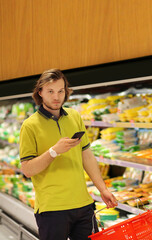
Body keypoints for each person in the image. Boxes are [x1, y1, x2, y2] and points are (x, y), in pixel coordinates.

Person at [19, 69, 118, 240]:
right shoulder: (29, 126)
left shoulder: (75, 116)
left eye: (60, 91)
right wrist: (53, 151)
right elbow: (27, 169)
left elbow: (87, 155)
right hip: (52, 209)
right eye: (50, 91)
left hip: (84, 205)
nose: (56, 97)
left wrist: (103, 189)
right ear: (40, 92)